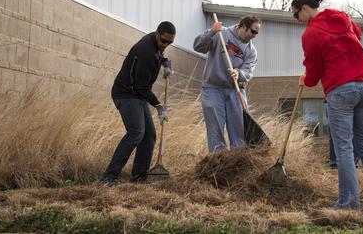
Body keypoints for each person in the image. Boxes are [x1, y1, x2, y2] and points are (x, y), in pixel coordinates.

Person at [292, 0, 363, 210]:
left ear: (305, 9)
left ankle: (348, 203)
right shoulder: (341, 17)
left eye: (296, 15)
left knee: (343, 147)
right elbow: (358, 34)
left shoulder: (311, 33)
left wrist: (307, 79)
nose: (297, 20)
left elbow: (314, 71)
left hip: (341, 90)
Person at [102, 21, 176, 186]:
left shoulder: (154, 43)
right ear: (157, 34)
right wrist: (158, 106)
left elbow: (157, 55)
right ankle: (109, 176)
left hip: (137, 95)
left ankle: (139, 177)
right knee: (136, 132)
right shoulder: (145, 52)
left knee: (149, 135)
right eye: (163, 41)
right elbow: (141, 87)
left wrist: (164, 62)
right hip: (126, 94)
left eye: (170, 42)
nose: (165, 44)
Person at [193, 15, 261, 152]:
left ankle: (238, 159)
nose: (254, 35)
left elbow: (248, 70)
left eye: (257, 33)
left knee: (239, 129)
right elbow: (198, 46)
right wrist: (211, 32)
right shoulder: (220, 33)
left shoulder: (251, 51)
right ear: (243, 26)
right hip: (213, 88)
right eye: (252, 31)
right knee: (215, 128)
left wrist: (239, 73)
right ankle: (218, 160)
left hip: (235, 90)